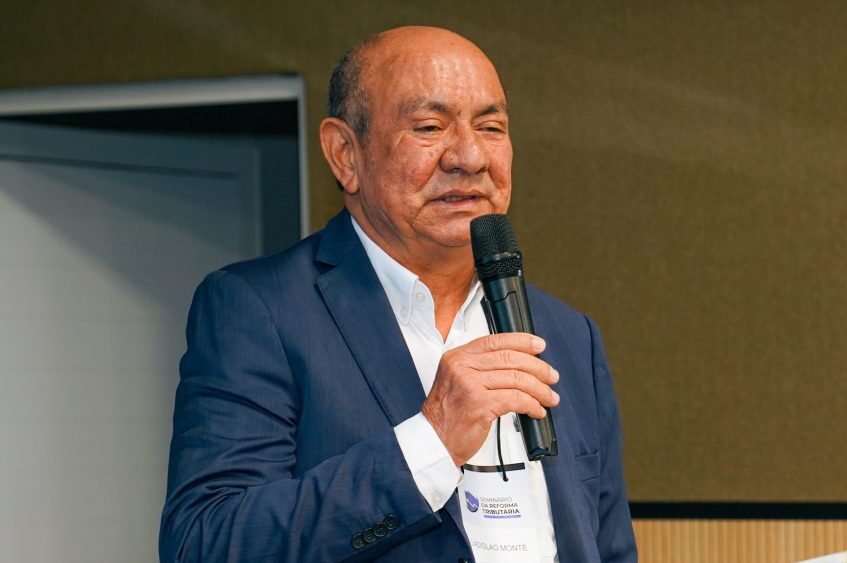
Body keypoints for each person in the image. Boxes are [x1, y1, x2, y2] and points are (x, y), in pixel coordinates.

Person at [160, 26, 637, 563]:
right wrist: (433, 441)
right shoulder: (260, 308)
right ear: (345, 154)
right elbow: (208, 541)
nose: (470, 157)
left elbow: (609, 547)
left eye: (491, 127)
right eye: (430, 127)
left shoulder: (568, 334)